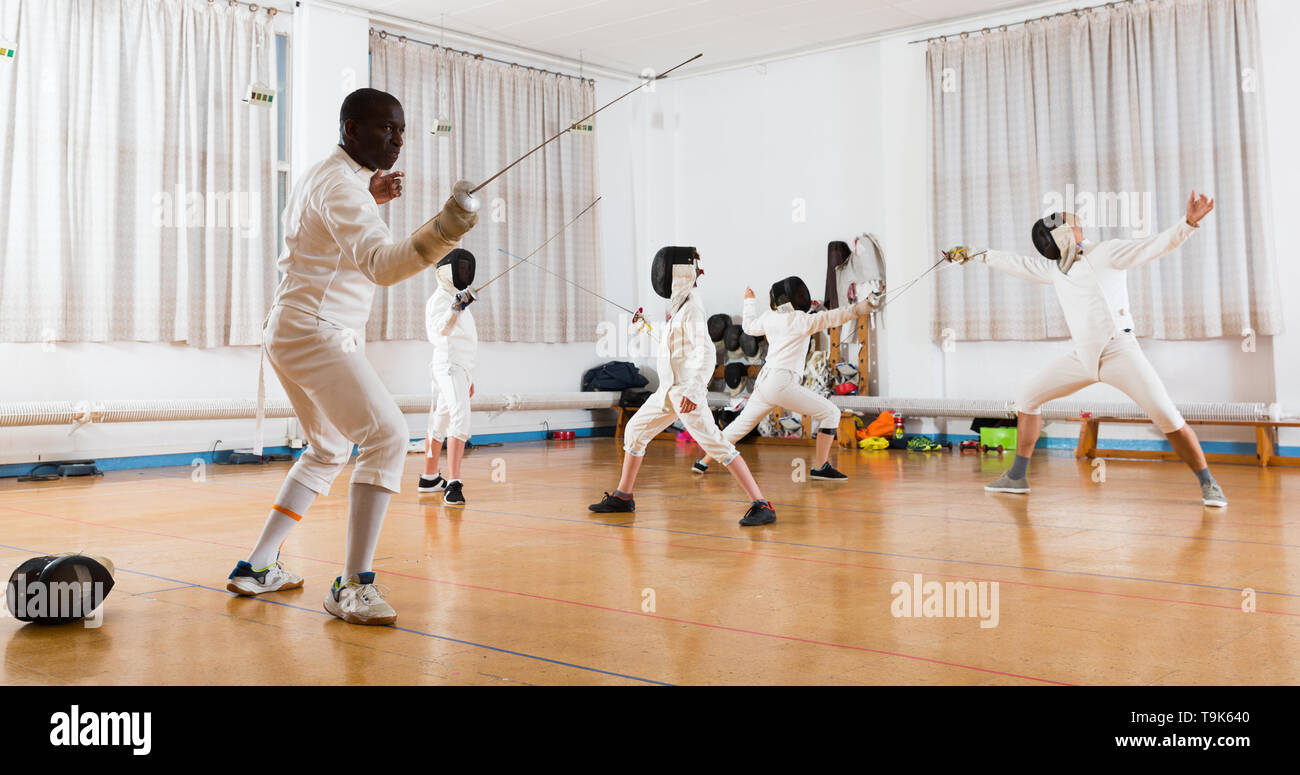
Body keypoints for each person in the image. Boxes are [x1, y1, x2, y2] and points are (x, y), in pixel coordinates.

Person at [225, 88, 480, 624]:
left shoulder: (332, 178)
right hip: (318, 332)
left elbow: (331, 229)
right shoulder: (343, 188)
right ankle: (352, 585)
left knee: (326, 450)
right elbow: (382, 266)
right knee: (387, 436)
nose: (398, 140)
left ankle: (257, 565)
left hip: (291, 329)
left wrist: (373, 195)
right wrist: (445, 231)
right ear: (350, 131)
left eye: (402, 130)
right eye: (386, 129)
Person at [946, 191, 1227, 507]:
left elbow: (1153, 246)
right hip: (1082, 356)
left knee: (1167, 416)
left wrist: (1187, 223)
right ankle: (1016, 477)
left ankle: (1208, 483)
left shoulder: (1106, 253)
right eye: (1067, 220)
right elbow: (1018, 263)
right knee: (1028, 397)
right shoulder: (1055, 269)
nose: (1075, 219)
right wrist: (974, 253)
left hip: (1119, 352)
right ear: (1064, 235)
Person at [589, 247, 777, 526]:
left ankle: (762, 504)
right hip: (667, 391)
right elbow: (673, 347)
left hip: (685, 392)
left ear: (678, 272)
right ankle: (623, 496)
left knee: (716, 445)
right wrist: (647, 328)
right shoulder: (680, 306)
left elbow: (706, 353)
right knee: (635, 431)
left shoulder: (692, 308)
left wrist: (694, 390)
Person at [693, 280, 873, 479]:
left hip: (765, 382)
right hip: (781, 383)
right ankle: (820, 467)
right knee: (830, 413)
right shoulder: (801, 320)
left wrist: (749, 301)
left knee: (739, 427)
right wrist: (860, 307)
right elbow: (833, 317)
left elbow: (749, 327)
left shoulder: (772, 317)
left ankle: (702, 462)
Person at [418, 248, 478, 506]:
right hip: (449, 366)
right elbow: (437, 333)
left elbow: (465, 343)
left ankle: (430, 477)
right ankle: (453, 483)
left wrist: (469, 377)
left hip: (458, 368)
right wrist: (456, 308)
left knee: (440, 420)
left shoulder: (457, 298)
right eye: (460, 268)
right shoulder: (441, 300)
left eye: (467, 269)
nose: (464, 273)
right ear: (446, 271)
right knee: (460, 419)